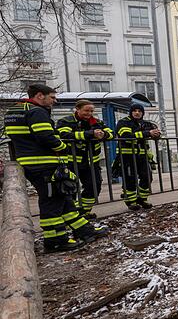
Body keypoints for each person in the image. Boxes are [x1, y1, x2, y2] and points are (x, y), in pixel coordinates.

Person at [4, 84, 108, 252]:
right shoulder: (37, 111)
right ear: (39, 95)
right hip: (44, 163)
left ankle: (84, 230)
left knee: (63, 197)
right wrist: (64, 148)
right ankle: (56, 240)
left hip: (31, 161)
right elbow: (46, 136)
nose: (55, 100)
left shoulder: (14, 111)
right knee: (51, 202)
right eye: (52, 97)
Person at [56, 100, 114, 219]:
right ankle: (71, 215)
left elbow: (112, 133)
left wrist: (103, 134)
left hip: (91, 162)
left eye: (91, 111)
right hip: (71, 162)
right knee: (70, 189)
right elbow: (63, 135)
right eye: (86, 110)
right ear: (77, 109)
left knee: (94, 186)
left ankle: (82, 211)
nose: (89, 113)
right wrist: (89, 134)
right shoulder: (66, 121)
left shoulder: (96, 122)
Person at [116, 101, 161, 210]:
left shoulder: (145, 123)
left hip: (142, 156)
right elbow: (127, 136)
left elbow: (155, 133)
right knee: (130, 179)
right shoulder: (123, 122)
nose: (137, 113)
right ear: (130, 112)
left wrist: (156, 134)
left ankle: (142, 199)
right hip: (127, 156)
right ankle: (130, 202)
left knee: (147, 177)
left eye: (140, 111)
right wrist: (147, 133)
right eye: (135, 111)